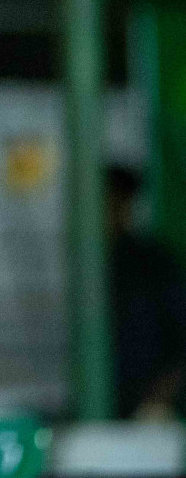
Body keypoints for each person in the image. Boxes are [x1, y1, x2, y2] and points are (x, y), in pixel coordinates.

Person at [108, 165, 186, 419]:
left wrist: (159, 399)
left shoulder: (151, 262)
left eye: (116, 200)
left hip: (148, 411)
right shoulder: (83, 267)